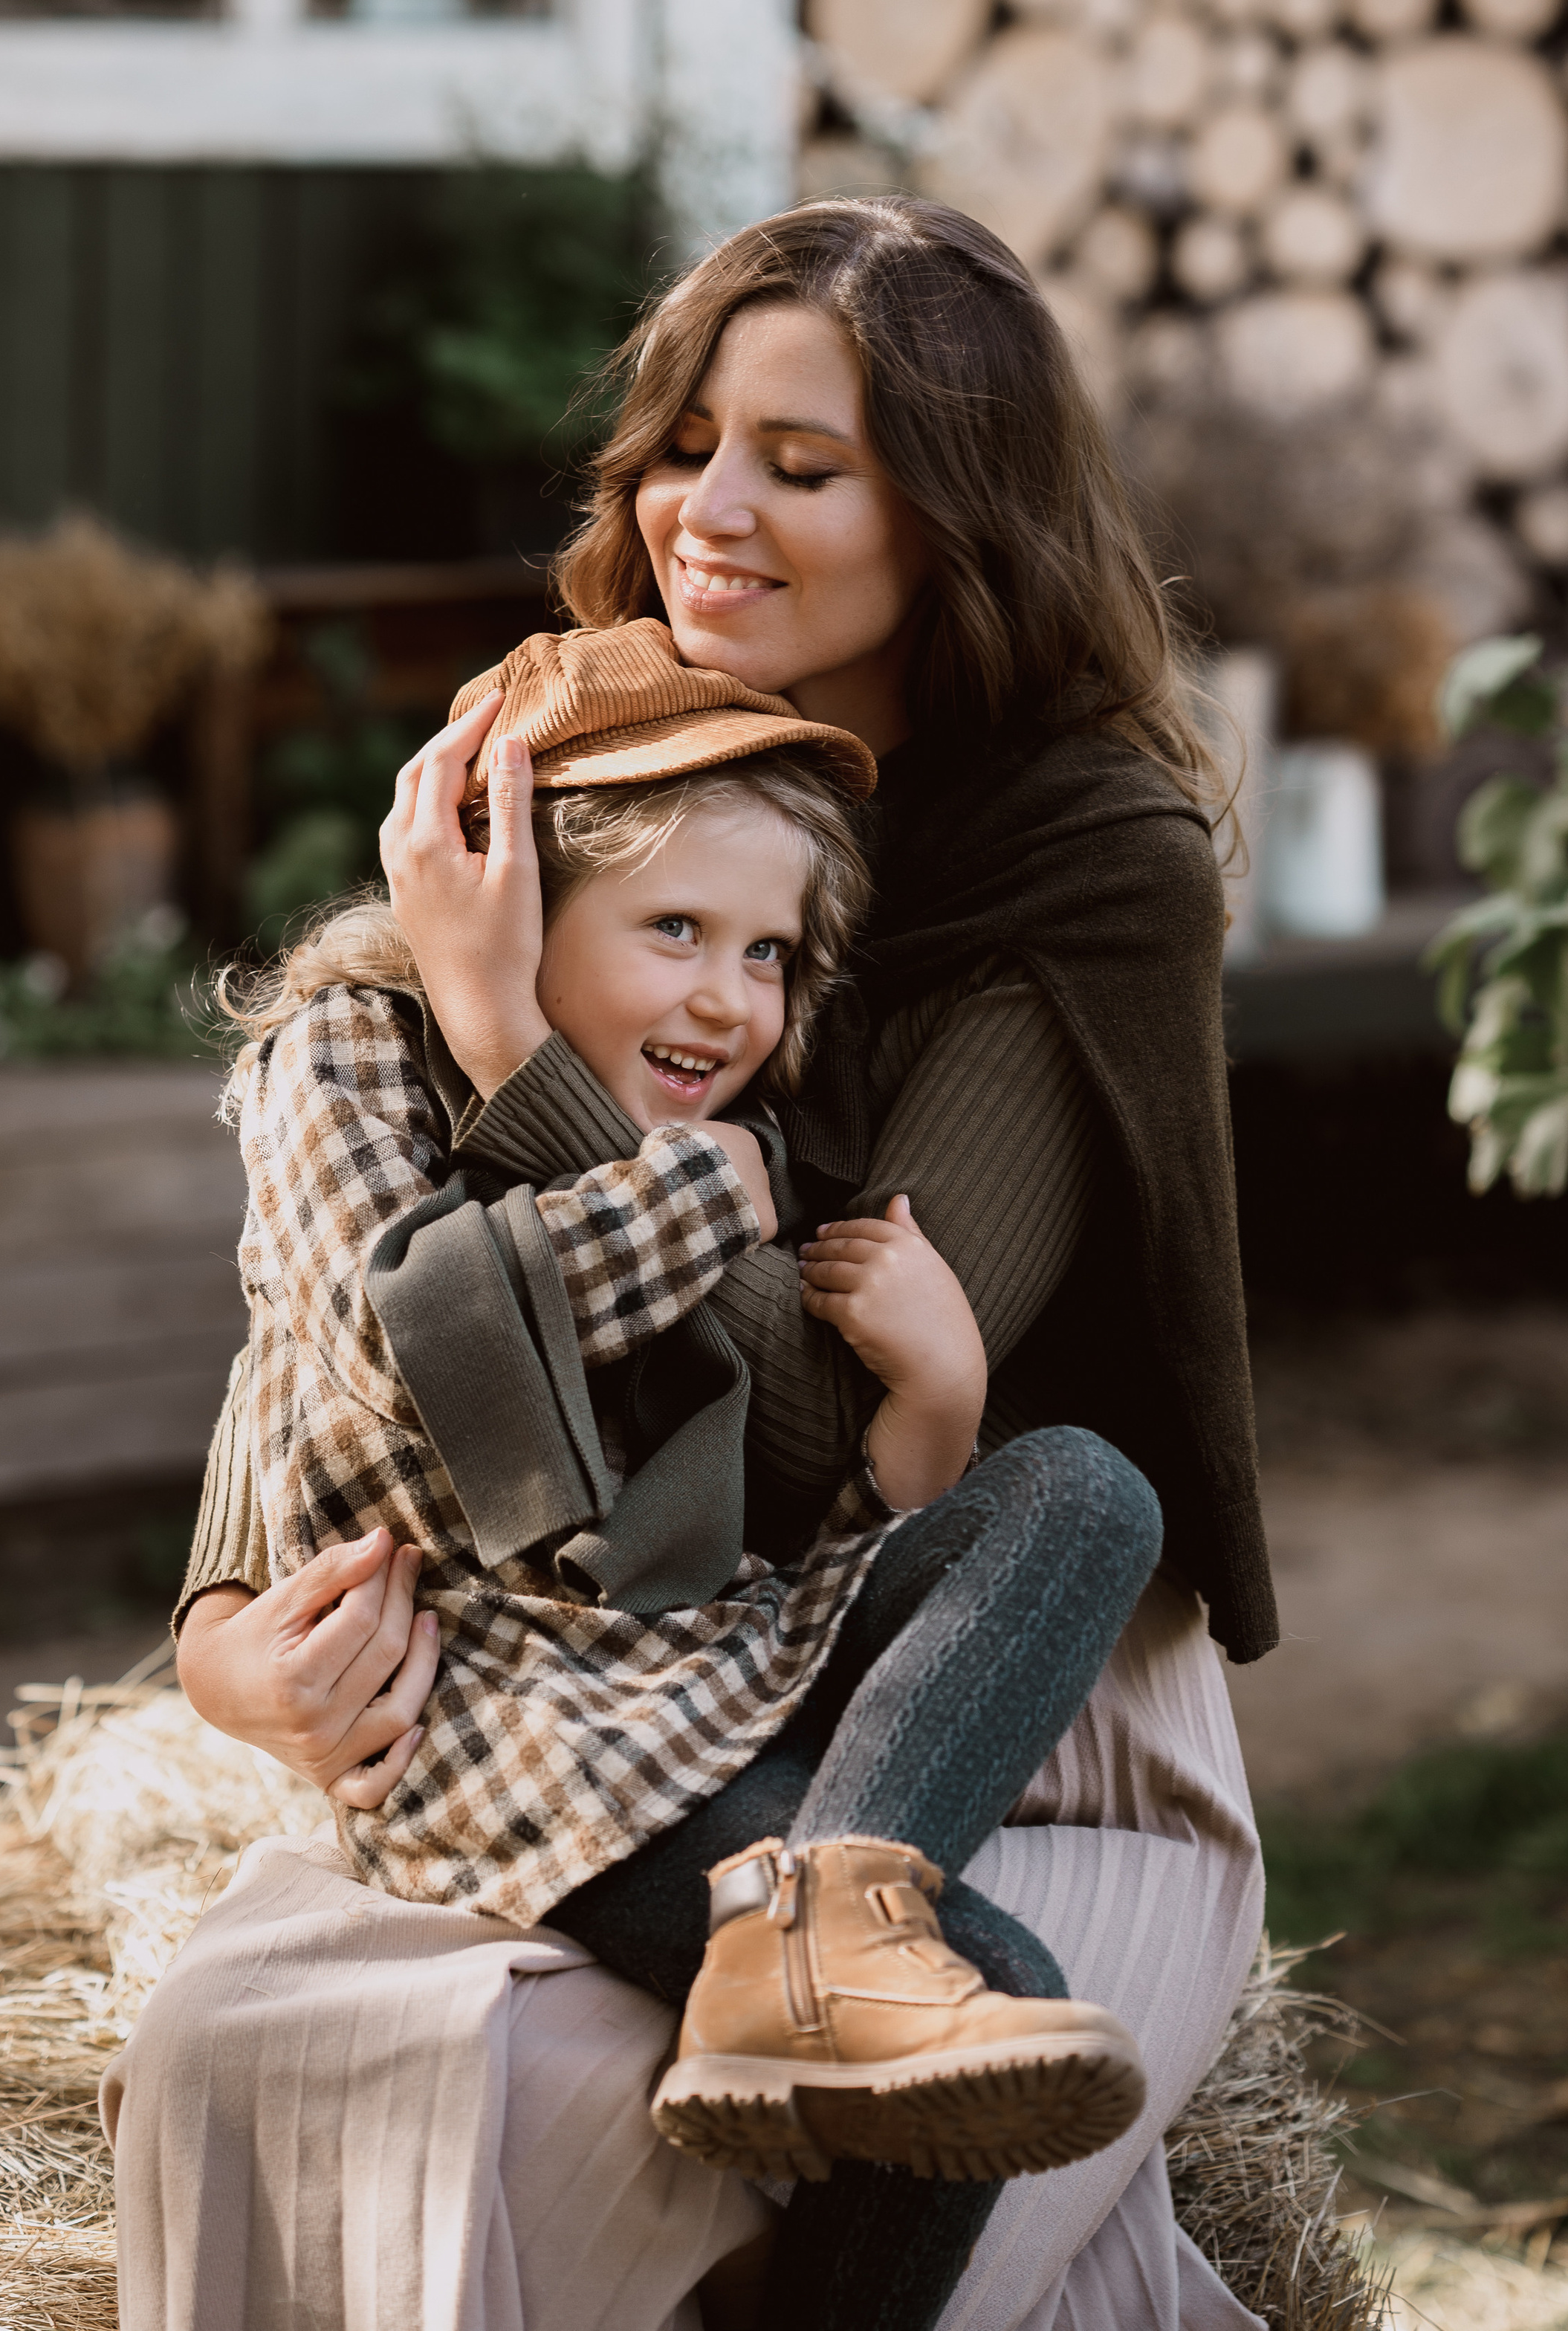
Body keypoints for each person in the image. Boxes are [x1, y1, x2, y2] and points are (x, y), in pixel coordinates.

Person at [120, 195, 1275, 2331]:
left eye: (798, 466)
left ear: (959, 523)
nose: (702, 513)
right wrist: (219, 1633)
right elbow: (346, 1245)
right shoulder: (600, 743)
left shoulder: (1085, 856)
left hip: (954, 1656)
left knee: (927, 2052)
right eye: (683, 444)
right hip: (565, 1632)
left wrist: (520, 1047)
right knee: (327, 2065)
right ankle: (804, 1951)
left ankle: (826, 1943)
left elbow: (815, 1418)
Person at [216, 612, 1159, 2204]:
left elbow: (774, 1501)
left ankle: (821, 1924)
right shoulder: (348, 1058)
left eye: (766, 953)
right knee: (983, 2006)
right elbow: (416, 1353)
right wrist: (691, 1188)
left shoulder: (721, 1123)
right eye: (675, 929)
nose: (727, 1001)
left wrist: (938, 1394)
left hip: (716, 1650)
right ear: (511, 899)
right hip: (517, 1714)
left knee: (1083, 1487)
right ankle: (820, 1960)